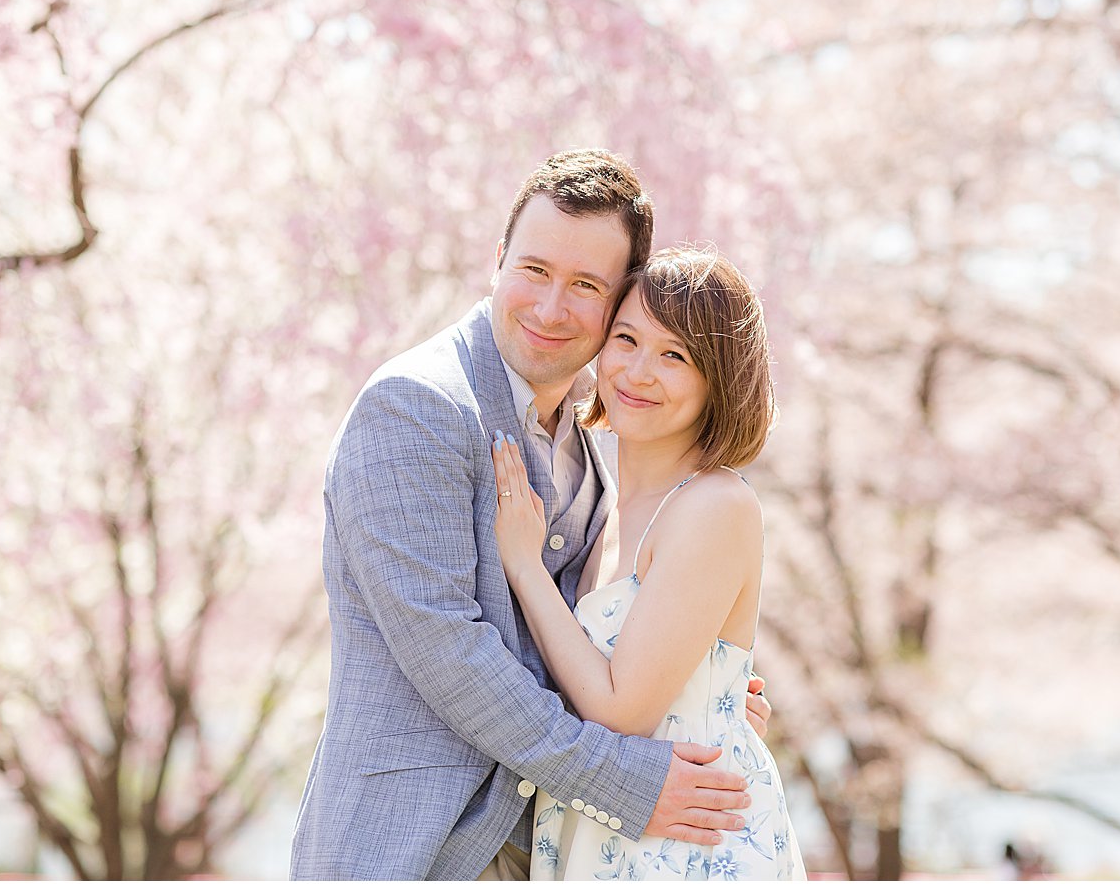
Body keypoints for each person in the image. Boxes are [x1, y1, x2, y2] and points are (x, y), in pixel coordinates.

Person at [290, 150, 772, 881]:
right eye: (535, 270)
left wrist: (703, 700)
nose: (552, 308)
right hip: (415, 849)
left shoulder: (595, 452)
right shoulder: (415, 408)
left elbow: (586, 657)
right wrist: (626, 778)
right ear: (497, 259)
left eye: (585, 286)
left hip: (552, 849)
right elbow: (453, 655)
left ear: (616, 303)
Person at [492, 246, 806, 880]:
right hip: (606, 832)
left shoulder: (715, 504)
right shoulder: (602, 504)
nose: (637, 372)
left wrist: (525, 569)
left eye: (675, 356)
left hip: (685, 850)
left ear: (720, 378)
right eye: (626, 340)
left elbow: (620, 711)